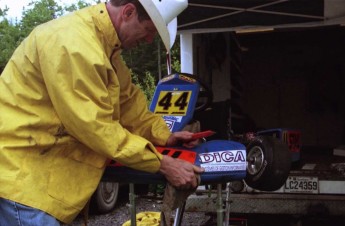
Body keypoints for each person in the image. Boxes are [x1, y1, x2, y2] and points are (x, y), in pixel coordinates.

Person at [0, 0, 204, 225]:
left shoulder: (104, 49)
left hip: (35, 184)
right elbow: (96, 128)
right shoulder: (74, 44)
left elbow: (129, 105)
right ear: (128, 12)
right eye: (148, 30)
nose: (148, 40)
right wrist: (163, 164)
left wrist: (165, 134)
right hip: (24, 186)